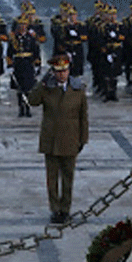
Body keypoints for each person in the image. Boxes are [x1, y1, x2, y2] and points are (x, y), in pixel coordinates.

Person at [26, 53, 88, 225]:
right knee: (52, 178)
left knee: (68, 178)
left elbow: (84, 116)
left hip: (70, 138)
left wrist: (83, 138)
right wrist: (42, 84)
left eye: (65, 71)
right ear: (53, 72)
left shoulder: (78, 89)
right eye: (58, 71)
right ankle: (55, 209)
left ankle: (65, 209)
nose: (62, 75)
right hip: (51, 139)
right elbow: (33, 101)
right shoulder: (47, 88)